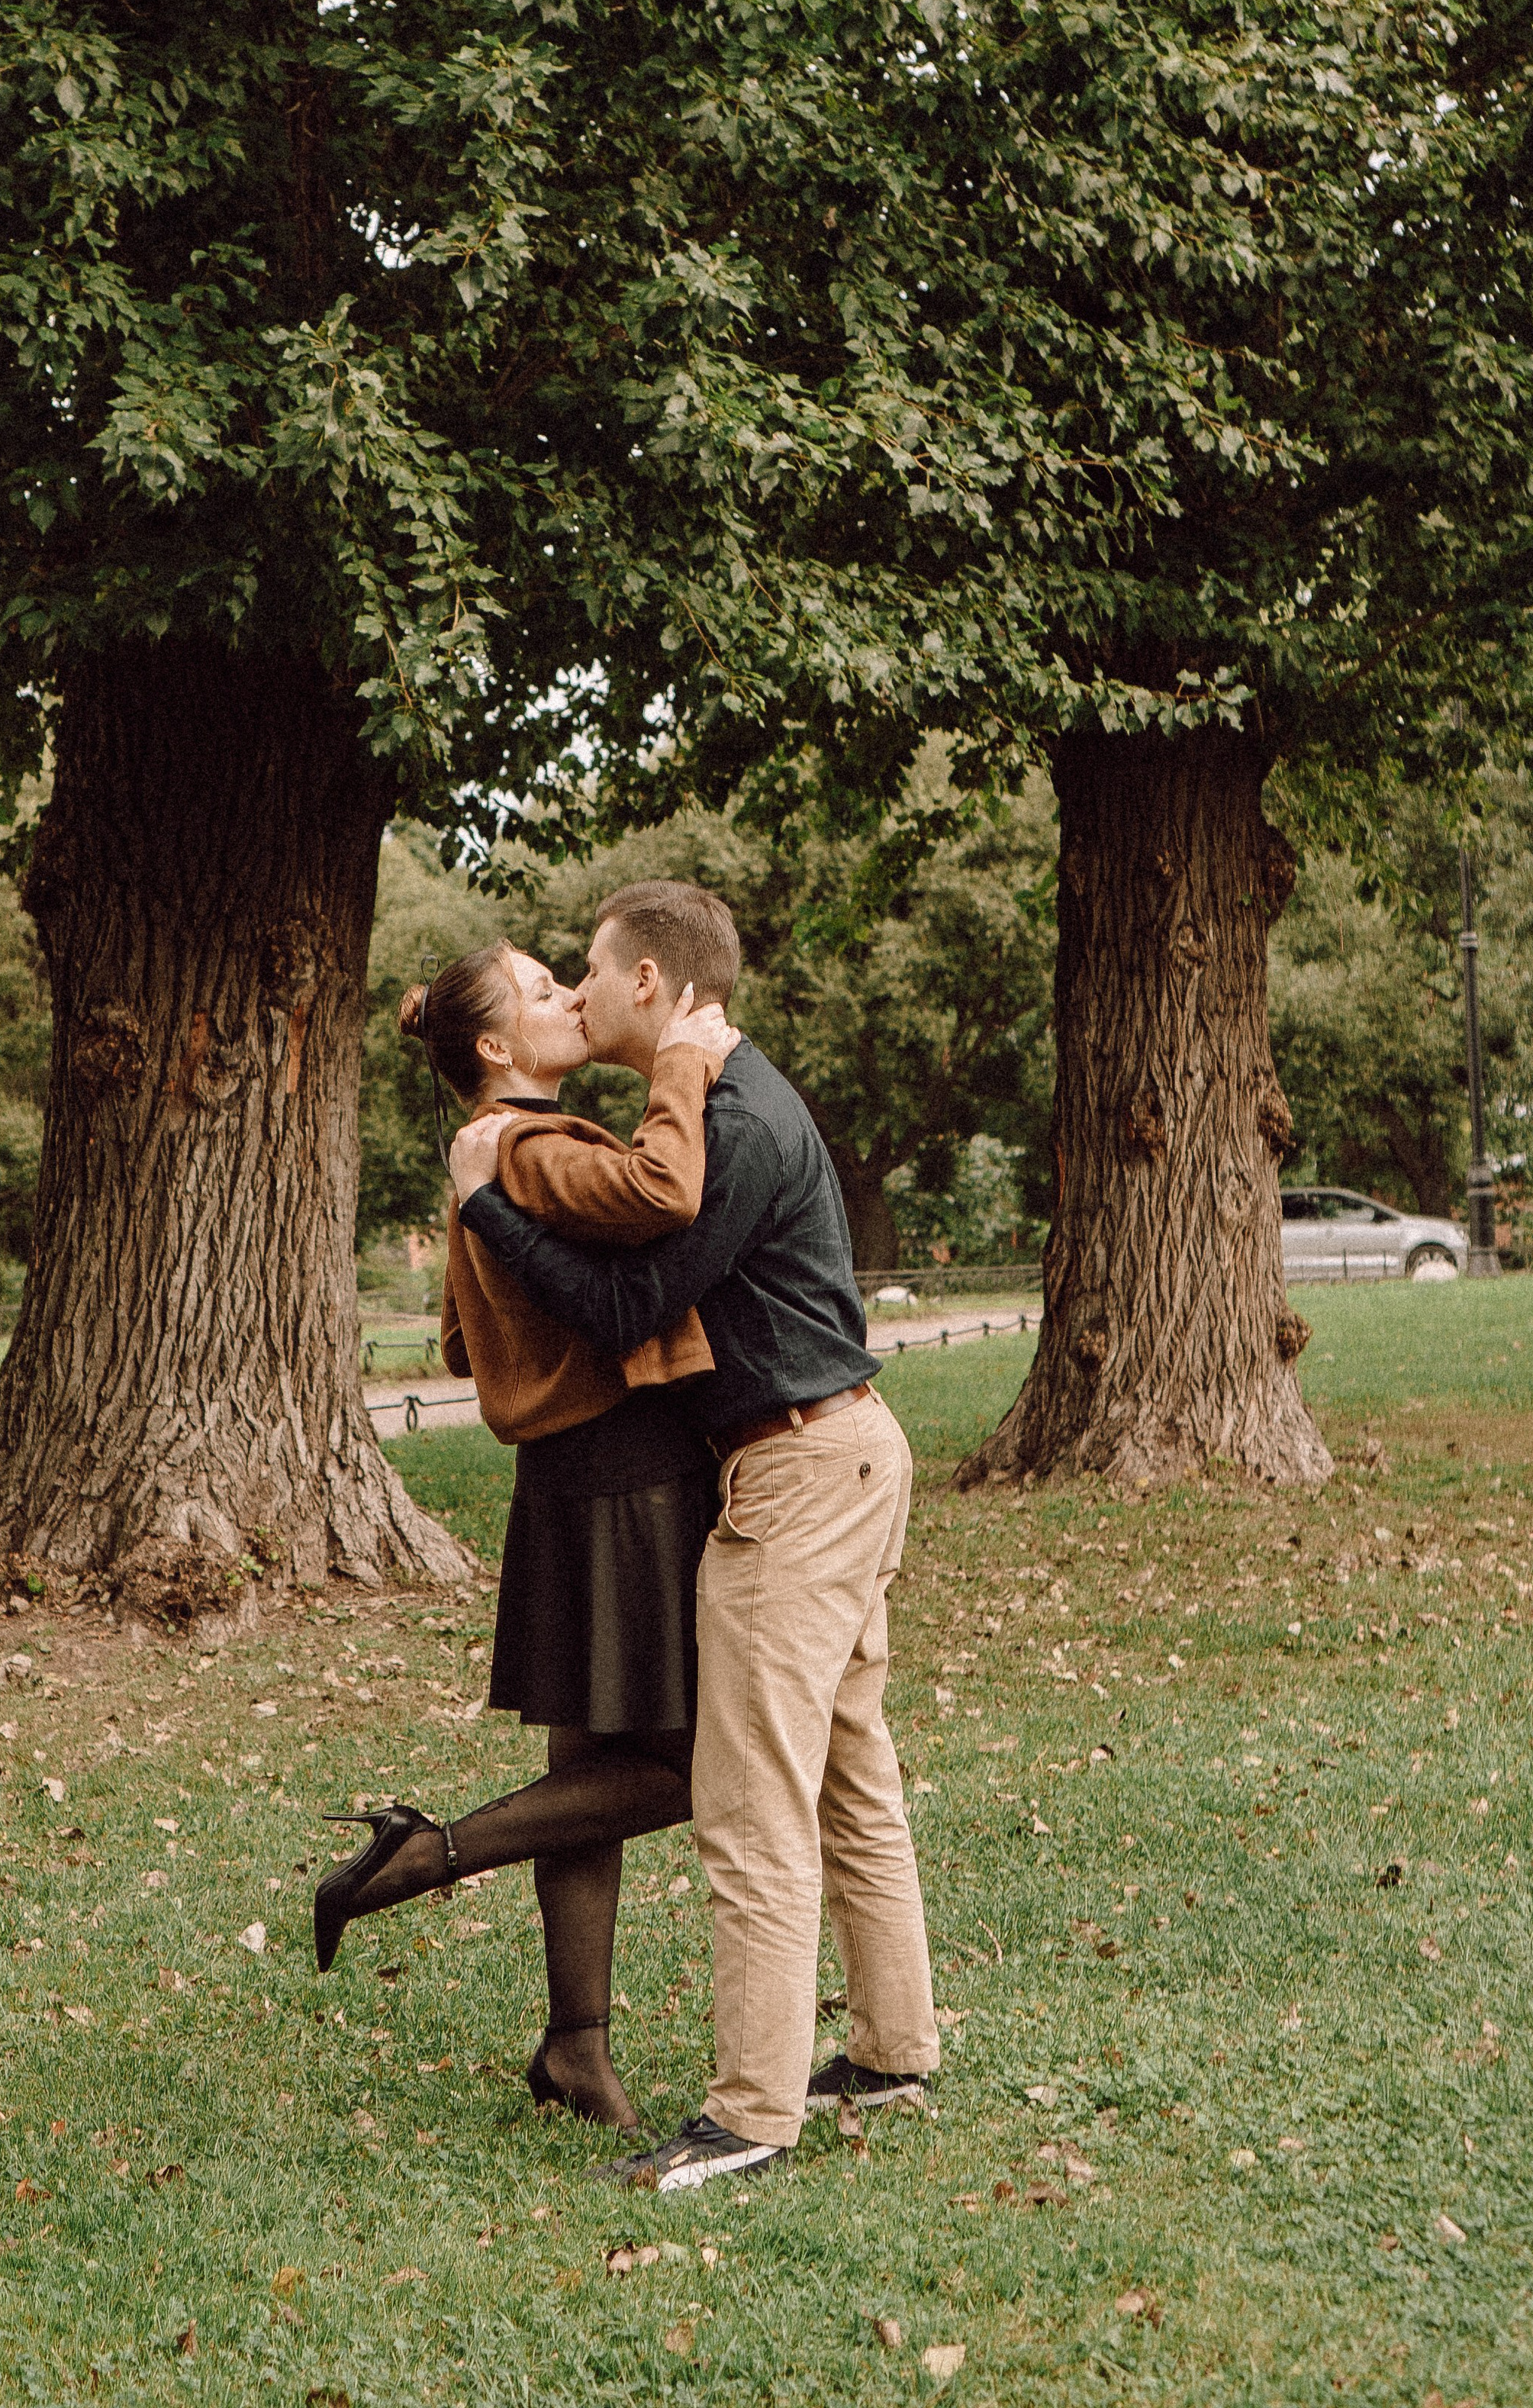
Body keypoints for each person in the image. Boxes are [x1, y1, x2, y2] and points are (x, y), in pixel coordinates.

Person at [452, 879, 942, 2193]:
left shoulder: (729, 1118)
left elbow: (628, 1309)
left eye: (591, 971)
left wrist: (485, 1202)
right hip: (842, 1452)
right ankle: (893, 2053)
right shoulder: (735, 1094)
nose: (580, 992)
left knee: (751, 1805)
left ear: (651, 984)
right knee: (848, 1772)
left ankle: (749, 2116)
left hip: (798, 1476)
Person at [312, 936, 734, 2135]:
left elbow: (463, 1340)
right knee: (684, 1770)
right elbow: (666, 1192)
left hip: (562, 1482)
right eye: (546, 992)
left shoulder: (485, 1156)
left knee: (586, 1775)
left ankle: (575, 2047)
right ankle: (426, 1853)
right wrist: (686, 1064)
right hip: (626, 1479)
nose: (573, 998)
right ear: (498, 1046)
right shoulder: (535, 1146)